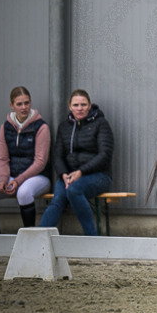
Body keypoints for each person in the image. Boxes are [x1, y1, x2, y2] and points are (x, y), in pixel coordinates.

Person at [0, 86, 51, 234]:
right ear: (12, 105)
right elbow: (3, 158)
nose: (24, 107)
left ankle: (29, 238)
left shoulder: (41, 127)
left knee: (24, 193)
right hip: (12, 177)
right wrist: (3, 179)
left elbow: (40, 162)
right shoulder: (5, 127)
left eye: (27, 103)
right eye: (19, 104)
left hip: (38, 177)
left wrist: (18, 180)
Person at [38, 89, 114, 236]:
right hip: (69, 177)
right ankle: (38, 240)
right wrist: (63, 174)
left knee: (74, 190)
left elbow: (105, 155)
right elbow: (58, 156)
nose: (80, 108)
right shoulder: (64, 127)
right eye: (76, 105)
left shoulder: (101, 124)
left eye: (83, 104)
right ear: (69, 106)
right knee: (58, 198)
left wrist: (81, 172)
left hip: (99, 176)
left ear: (90, 105)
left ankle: (91, 239)